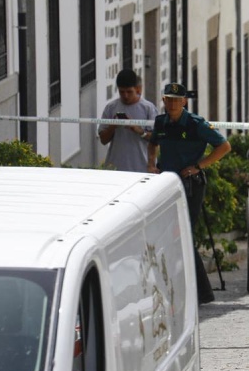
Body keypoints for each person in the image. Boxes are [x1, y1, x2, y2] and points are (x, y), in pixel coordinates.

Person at [147, 82, 232, 305]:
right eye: (169, 99)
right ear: (163, 100)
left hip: (189, 184)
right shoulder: (161, 122)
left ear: (184, 101)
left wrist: (199, 165)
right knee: (168, 234)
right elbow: (152, 142)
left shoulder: (196, 124)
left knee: (184, 233)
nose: (173, 103)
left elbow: (224, 146)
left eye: (177, 99)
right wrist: (151, 165)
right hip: (166, 183)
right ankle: (181, 287)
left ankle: (202, 292)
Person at [98, 70, 159, 172]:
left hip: (141, 168)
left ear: (137, 89)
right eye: (122, 92)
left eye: (129, 92)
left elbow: (156, 139)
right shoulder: (111, 108)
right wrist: (113, 126)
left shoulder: (148, 108)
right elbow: (103, 140)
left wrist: (138, 130)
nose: (125, 95)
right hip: (115, 168)